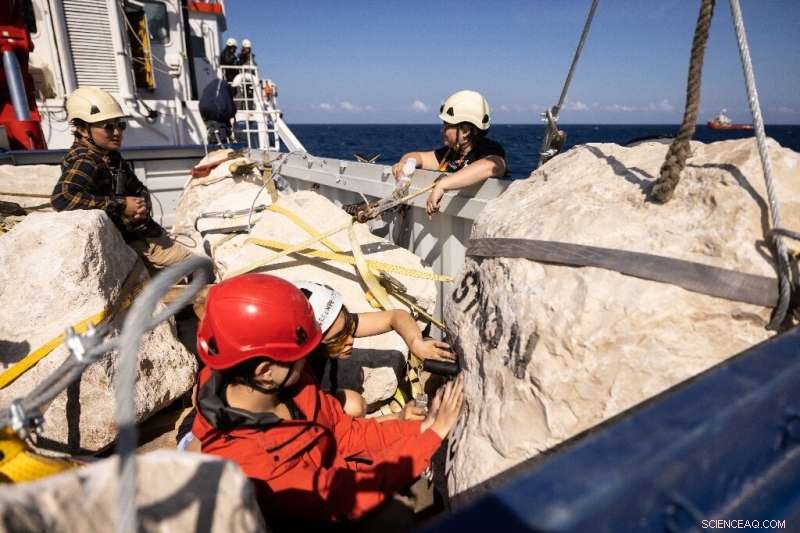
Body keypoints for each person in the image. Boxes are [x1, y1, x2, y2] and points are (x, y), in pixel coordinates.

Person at [191, 274, 464, 528]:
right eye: (301, 354)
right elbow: (344, 497)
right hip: (318, 510)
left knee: (420, 496)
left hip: (333, 480)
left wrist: (419, 428)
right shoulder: (253, 463)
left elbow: (345, 433)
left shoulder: (291, 383)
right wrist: (432, 436)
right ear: (264, 372)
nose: (309, 358)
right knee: (401, 514)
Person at [51, 87, 194, 271]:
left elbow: (137, 187)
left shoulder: (110, 156)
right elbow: (62, 198)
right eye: (108, 127)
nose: (117, 132)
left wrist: (141, 206)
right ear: (82, 130)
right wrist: (122, 205)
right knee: (200, 268)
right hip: (132, 241)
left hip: (143, 234)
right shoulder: (85, 159)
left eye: (120, 125)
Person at [296, 281, 454, 418]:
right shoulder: (292, 379)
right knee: (354, 406)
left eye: (348, 330)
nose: (350, 340)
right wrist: (398, 418)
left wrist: (416, 343)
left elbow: (395, 317)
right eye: (336, 340)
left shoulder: (331, 325)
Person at [393, 90, 507, 216]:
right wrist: (406, 164)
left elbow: (493, 166)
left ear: (465, 131)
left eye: (446, 125)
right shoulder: (450, 154)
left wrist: (444, 185)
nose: (442, 130)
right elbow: (420, 157)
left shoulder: (490, 149)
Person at [199, 78, 236, 145]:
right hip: (217, 113)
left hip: (204, 110)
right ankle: (221, 143)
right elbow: (230, 108)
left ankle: (213, 141)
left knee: (213, 129)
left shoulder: (213, 87)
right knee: (220, 130)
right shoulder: (225, 89)